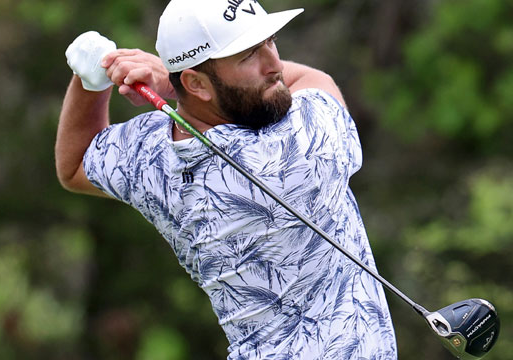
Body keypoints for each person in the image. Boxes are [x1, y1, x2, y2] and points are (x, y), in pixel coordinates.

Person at [56, 0, 398, 358]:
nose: (274, 64)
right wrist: (170, 82)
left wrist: (90, 79)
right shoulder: (298, 145)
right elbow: (315, 80)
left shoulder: (152, 156)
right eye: (249, 55)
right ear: (197, 83)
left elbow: (75, 164)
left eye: (271, 41)